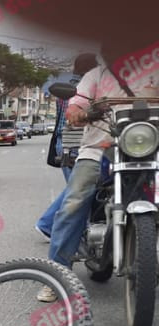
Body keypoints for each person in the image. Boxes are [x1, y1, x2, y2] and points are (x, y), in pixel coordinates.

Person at [38, 43, 159, 302]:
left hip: (148, 150)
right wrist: (78, 112)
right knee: (73, 204)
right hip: (99, 149)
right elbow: (76, 103)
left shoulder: (153, 72)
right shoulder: (96, 76)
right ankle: (57, 275)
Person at [35, 53, 99, 241]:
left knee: (80, 189)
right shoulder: (79, 88)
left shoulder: (80, 84)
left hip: (78, 142)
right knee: (80, 190)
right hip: (75, 142)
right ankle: (50, 227)